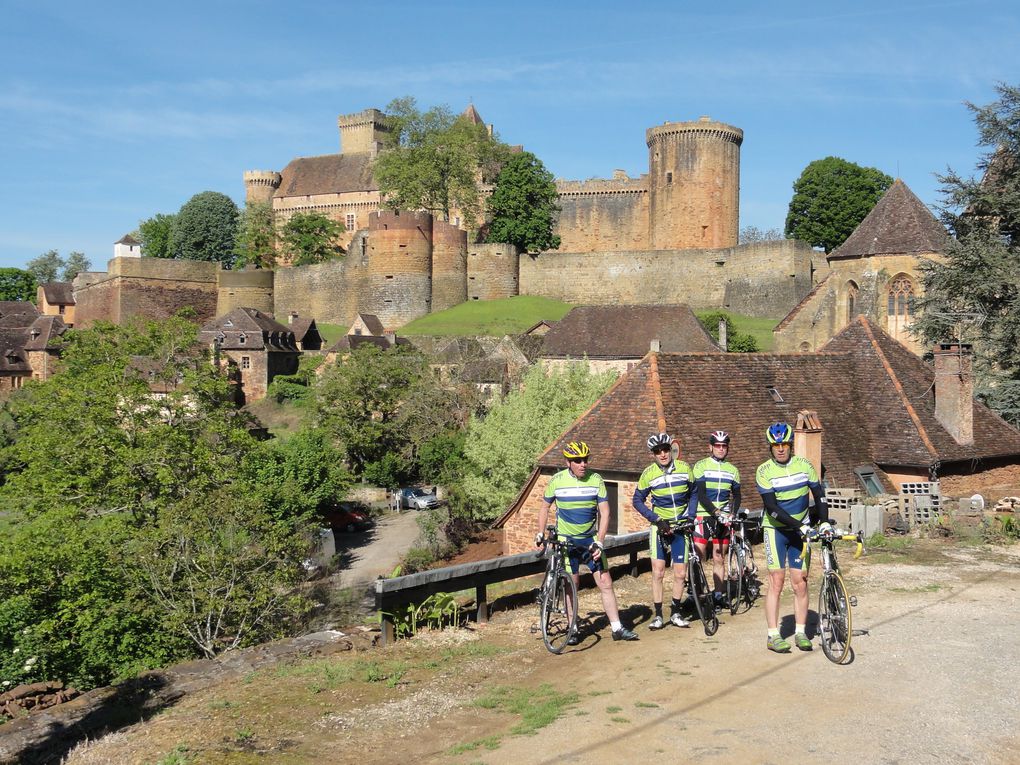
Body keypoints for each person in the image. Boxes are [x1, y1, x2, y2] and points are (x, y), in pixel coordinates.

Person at [536, 441, 638, 643]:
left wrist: (600, 542)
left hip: (590, 540)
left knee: (605, 582)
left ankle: (617, 628)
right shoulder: (556, 481)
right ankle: (573, 628)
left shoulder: (596, 480)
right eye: (578, 461)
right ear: (568, 462)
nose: (583, 464)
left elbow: (606, 513)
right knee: (572, 584)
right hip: (566, 540)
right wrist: (540, 533)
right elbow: (544, 508)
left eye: (585, 460)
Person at [755, 423, 830, 653]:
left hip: (801, 531)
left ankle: (800, 632)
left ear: (790, 445)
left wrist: (824, 520)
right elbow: (771, 507)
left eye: (784, 444)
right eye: (776, 445)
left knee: (801, 582)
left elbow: (819, 495)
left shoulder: (804, 466)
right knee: (776, 581)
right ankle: (773, 634)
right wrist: (800, 525)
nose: (780, 449)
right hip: (776, 530)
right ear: (770, 447)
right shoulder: (764, 471)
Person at [631, 433, 696, 629]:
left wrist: (691, 516)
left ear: (671, 450)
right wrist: (656, 519)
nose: (662, 454)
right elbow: (636, 500)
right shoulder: (648, 473)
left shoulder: (685, 468)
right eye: (657, 451)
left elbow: (694, 493)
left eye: (665, 450)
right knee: (658, 572)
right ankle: (658, 615)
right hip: (660, 527)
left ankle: (676, 612)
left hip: (681, 525)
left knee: (680, 573)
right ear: (653, 454)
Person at [693, 430, 742, 609]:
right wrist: (715, 512)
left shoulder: (733, 470)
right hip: (703, 514)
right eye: (717, 446)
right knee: (698, 556)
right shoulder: (701, 466)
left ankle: (719, 594)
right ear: (711, 447)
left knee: (719, 557)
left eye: (724, 446)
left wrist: (733, 514)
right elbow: (700, 494)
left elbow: (737, 496)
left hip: (724, 517)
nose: (721, 449)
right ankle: (697, 593)